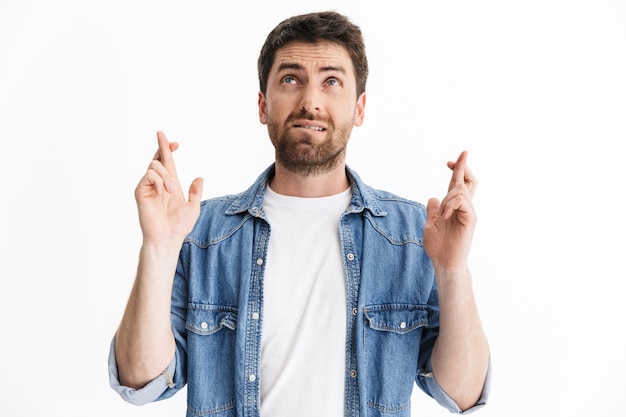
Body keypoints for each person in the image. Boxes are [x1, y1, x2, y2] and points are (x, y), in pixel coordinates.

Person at [109, 10, 490, 417]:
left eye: (332, 82)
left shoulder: (415, 234)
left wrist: (452, 270)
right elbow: (140, 380)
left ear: (359, 109)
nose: (311, 102)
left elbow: (462, 394)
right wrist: (159, 247)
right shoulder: (199, 233)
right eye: (291, 79)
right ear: (262, 105)